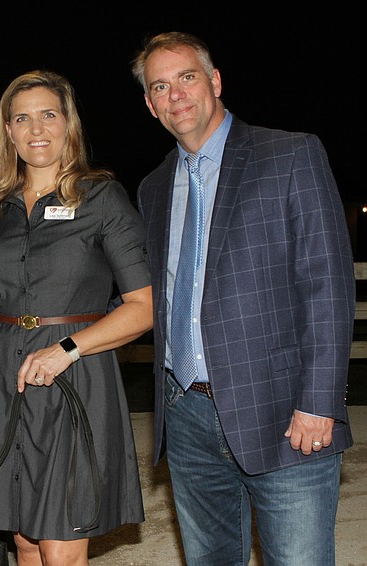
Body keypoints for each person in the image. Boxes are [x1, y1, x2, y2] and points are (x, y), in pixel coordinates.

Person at [131, 31, 355, 565]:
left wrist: (318, 402)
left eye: (187, 77)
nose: (175, 94)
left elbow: (327, 286)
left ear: (215, 81)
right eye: (160, 86)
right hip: (186, 416)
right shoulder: (153, 188)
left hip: (285, 415)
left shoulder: (290, 154)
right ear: (150, 105)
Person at [0, 70, 153, 566]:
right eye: (22, 118)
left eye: (48, 114)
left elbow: (143, 307)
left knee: (61, 540)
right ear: (8, 131)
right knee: (25, 539)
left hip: (74, 374)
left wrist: (67, 349)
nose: (36, 129)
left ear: (68, 122)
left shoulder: (102, 199)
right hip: (0, 379)